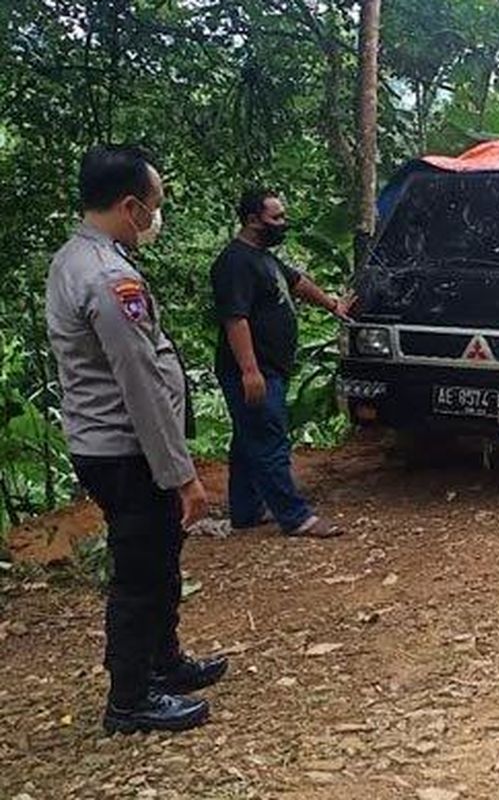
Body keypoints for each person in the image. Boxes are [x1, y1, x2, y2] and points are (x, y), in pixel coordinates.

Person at [46, 145, 227, 735]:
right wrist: (182, 474)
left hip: (111, 444)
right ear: (129, 206)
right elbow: (140, 383)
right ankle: (130, 699)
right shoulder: (108, 277)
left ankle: (163, 661)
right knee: (141, 570)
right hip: (126, 449)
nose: (156, 216)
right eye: (153, 205)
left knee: (159, 556)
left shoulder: (77, 258)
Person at [211, 188, 349, 538]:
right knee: (270, 441)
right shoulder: (235, 263)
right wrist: (250, 370)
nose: (282, 224)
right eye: (276, 218)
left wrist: (333, 305)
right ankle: (296, 516)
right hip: (254, 371)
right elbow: (235, 319)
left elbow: (299, 283)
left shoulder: (264, 258)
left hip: (272, 368)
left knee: (247, 441)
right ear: (252, 220)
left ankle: (246, 511)